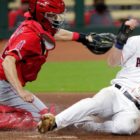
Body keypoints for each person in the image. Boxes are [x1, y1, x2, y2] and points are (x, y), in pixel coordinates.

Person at [37, 10, 140, 135]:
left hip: (135, 108)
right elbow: (112, 62)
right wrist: (120, 41)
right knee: (93, 103)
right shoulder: (138, 41)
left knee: (126, 127)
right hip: (116, 93)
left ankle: (85, 125)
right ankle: (54, 122)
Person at [0, 0, 113, 130]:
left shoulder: (34, 25)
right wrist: (20, 91)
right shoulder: (29, 35)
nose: (56, 18)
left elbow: (55, 33)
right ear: (42, 15)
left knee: (45, 117)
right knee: (44, 119)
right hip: (5, 84)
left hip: (4, 83)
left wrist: (83, 38)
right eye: (52, 15)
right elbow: (8, 62)